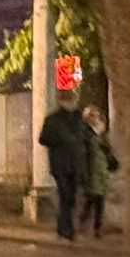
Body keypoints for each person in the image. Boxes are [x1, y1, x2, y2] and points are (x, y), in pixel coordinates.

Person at [37, 88, 94, 241]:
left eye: (72, 100)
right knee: (65, 196)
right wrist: (61, 139)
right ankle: (65, 230)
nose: (71, 103)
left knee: (71, 198)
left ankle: (66, 229)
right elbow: (43, 139)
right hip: (61, 164)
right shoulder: (53, 119)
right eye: (68, 100)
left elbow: (88, 138)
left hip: (75, 164)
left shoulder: (79, 119)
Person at [81, 105, 118, 239]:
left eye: (97, 115)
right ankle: (85, 223)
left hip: (102, 171)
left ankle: (96, 228)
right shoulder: (86, 132)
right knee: (92, 200)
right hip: (91, 170)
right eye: (93, 116)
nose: (96, 118)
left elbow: (108, 150)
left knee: (99, 201)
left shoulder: (102, 132)